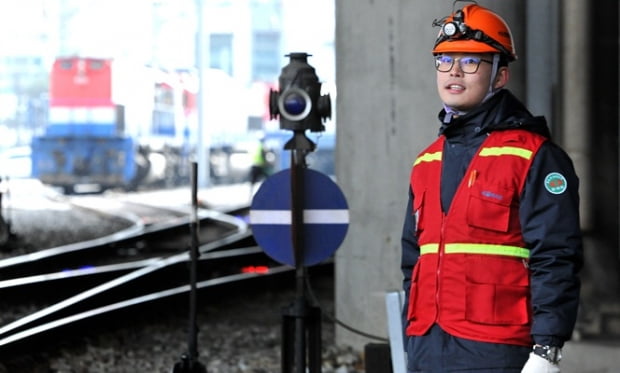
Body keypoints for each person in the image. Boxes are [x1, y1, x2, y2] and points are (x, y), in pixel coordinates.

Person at [400, 2, 583, 372]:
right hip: (427, 346)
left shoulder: (534, 157)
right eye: (445, 60)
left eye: (471, 61)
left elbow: (555, 256)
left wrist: (547, 347)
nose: (454, 71)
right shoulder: (426, 163)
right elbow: (412, 260)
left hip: (496, 350)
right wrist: (412, 335)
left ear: (500, 76)